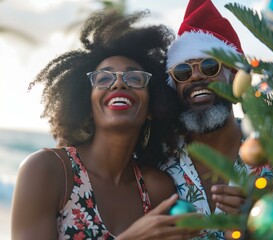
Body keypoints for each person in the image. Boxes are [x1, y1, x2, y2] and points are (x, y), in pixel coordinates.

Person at [11, 9, 198, 240]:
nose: (119, 83)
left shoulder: (157, 188)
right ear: (87, 105)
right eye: (104, 78)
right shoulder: (48, 170)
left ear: (153, 107)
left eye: (134, 78)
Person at [160, 0, 273, 239]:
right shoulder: (158, 164)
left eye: (210, 66)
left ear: (235, 79)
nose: (197, 76)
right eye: (183, 71)